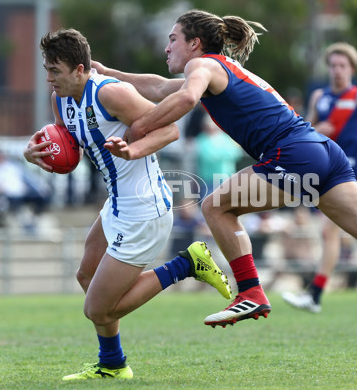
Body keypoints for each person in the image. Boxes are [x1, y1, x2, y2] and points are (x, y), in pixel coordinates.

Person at [95, 9, 357, 340]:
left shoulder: (203, 66)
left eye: (173, 38)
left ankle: (250, 291)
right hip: (322, 151)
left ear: (195, 44)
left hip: (292, 152)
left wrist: (136, 131)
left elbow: (184, 99)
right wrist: (109, 73)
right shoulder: (219, 69)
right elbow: (162, 87)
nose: (167, 47)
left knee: (214, 207)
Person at [23, 28, 231, 381]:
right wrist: (37, 153)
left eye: (54, 71)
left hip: (145, 208)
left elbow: (169, 130)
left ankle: (186, 265)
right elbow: (65, 145)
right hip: (118, 203)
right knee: (86, 277)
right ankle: (114, 364)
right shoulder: (60, 98)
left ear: (79, 69)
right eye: (46, 69)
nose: (49, 78)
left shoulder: (111, 93)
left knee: (97, 310)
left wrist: (133, 149)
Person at [280, 42, 357, 313]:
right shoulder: (319, 97)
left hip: (352, 173)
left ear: (352, 68)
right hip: (323, 172)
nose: (336, 70)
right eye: (332, 65)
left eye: (342, 66)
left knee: (338, 231)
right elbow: (303, 131)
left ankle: (315, 294)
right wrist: (315, 128)